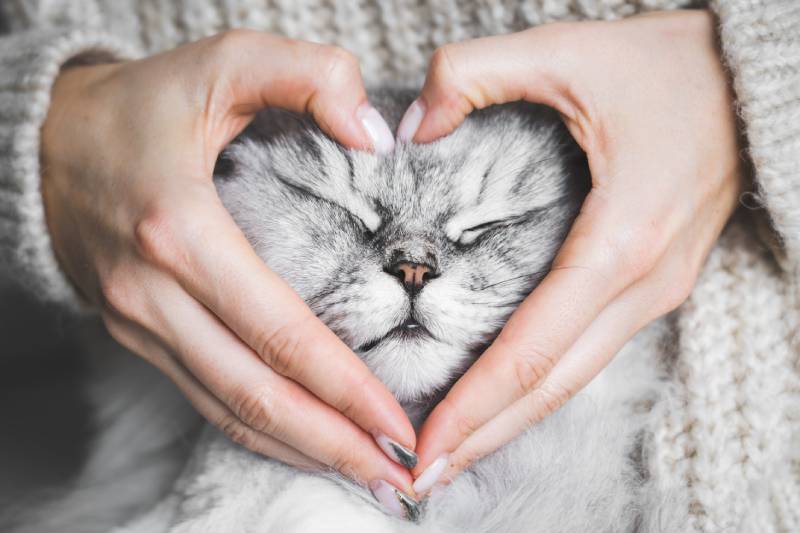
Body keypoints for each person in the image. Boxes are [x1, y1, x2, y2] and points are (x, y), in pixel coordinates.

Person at [0, 1, 797, 529]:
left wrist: (745, 74)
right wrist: (43, 131)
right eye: (350, 215)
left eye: (487, 224)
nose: (414, 264)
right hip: (119, 420)